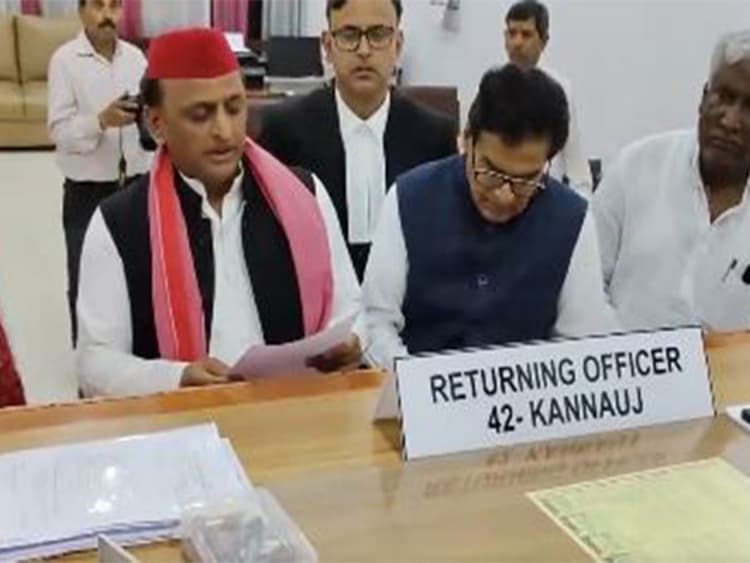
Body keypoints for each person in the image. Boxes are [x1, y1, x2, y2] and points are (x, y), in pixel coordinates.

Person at [75, 28, 363, 397]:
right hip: (180, 421)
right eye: (201, 115)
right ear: (157, 124)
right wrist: (176, 378)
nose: (224, 131)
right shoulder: (119, 223)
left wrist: (353, 342)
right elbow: (94, 362)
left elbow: (350, 309)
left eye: (234, 107)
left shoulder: (306, 194)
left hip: (294, 409)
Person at [363, 65, 617, 371]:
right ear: (467, 140)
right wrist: (416, 382)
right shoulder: (408, 198)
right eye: (491, 173)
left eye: (525, 180)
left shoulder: (572, 222)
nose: (504, 196)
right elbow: (376, 323)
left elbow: (581, 346)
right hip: (414, 388)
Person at [258, 0, 457, 280]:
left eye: (378, 34)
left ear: (398, 44)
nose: (364, 50)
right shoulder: (284, 130)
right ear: (328, 46)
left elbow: (444, 238)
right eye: (349, 35)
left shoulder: (434, 135)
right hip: (316, 293)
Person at [593, 30, 750, 332]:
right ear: (703, 98)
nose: (731, 121)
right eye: (724, 97)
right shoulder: (634, 168)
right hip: (623, 357)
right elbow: (586, 287)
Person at [48, 0, 152, 341]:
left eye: (114, 6)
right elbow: (60, 134)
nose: (107, 15)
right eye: (98, 5)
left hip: (135, 187)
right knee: (84, 280)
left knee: (135, 274)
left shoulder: (136, 59)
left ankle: (131, 351)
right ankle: (86, 357)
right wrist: (100, 121)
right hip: (86, 193)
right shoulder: (64, 61)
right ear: (81, 11)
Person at [504, 0, 593, 195]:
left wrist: (583, 206)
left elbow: (576, 167)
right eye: (512, 33)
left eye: (526, 34)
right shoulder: (491, 87)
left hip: (546, 196)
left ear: (544, 41)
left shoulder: (559, 89)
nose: (517, 43)